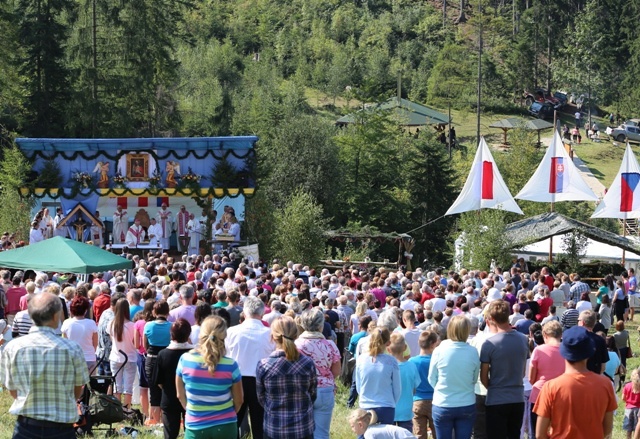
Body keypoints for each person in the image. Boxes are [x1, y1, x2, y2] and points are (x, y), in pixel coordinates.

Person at [0, 293, 89, 439]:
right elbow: (78, 390)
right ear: (56, 316)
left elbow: (12, 390)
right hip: (62, 427)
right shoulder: (72, 348)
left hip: (26, 426)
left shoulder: (13, 347)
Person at [533, 326, 616, 439]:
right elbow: (607, 429)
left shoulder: (550, 387)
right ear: (590, 352)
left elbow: (540, 434)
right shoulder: (606, 385)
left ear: (563, 352)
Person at [176, 315, 243, 438]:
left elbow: (180, 395)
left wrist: (192, 411)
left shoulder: (185, 360)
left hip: (195, 425)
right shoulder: (231, 365)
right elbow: (239, 401)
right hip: (225, 425)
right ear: (224, 336)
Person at [257, 316, 317, 439]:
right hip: (302, 428)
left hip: (274, 428)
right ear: (296, 335)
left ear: (273, 336)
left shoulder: (264, 365)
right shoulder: (308, 363)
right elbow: (312, 394)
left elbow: (261, 398)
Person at [225, 296, 274, 439]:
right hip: (260, 381)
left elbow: (226, 357)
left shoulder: (231, 332)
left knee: (233, 422)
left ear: (245, 313)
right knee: (259, 425)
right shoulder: (269, 334)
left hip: (237, 380)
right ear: (262, 313)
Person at [480, 300, 529, 439]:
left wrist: (493, 387)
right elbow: (523, 371)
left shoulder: (489, 344)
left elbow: (483, 376)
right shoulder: (523, 339)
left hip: (496, 399)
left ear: (492, 319)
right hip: (517, 397)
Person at [428, 315, 479, 439]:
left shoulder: (439, 350)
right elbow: (474, 377)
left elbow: (431, 378)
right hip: (466, 402)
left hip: (443, 402)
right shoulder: (473, 351)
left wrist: (443, 389)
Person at [295, 308, 341, 439]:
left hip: (301, 389)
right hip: (325, 390)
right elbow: (337, 371)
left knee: (301, 431)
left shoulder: (296, 345)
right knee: (321, 433)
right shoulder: (330, 344)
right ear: (321, 325)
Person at [153, 318, 193, 439]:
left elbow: (158, 381)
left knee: (170, 435)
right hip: (192, 398)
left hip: (169, 398)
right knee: (192, 434)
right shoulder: (194, 353)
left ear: (171, 335)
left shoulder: (163, 354)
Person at [356, 327, 401, 424]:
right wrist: (392, 402)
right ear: (388, 343)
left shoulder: (361, 359)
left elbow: (358, 387)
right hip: (386, 407)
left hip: (365, 405)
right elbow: (397, 389)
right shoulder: (391, 361)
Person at [528, 320, 564, 433]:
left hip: (539, 394)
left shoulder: (538, 350)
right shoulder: (567, 351)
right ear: (561, 334)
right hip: (561, 396)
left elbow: (531, 378)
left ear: (545, 335)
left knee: (538, 432)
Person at [144, 299, 172, 425]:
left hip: (152, 359)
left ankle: (155, 421)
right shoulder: (172, 326)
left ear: (154, 312)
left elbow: (145, 345)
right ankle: (166, 420)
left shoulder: (148, 325)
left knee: (154, 392)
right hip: (167, 359)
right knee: (167, 390)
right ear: (167, 312)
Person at [409, 330, 439, 439]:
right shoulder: (436, 360)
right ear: (433, 344)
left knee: (419, 434)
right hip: (434, 400)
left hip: (417, 400)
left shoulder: (412, 361)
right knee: (437, 433)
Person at [108, 297, 138, 407]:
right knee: (128, 387)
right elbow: (135, 343)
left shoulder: (111, 324)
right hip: (130, 357)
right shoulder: (132, 325)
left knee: (117, 385)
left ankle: (117, 409)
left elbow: (112, 340)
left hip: (115, 357)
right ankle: (127, 409)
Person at [390, 333, 421, 432]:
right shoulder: (411, 366)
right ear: (405, 348)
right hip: (406, 410)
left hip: (390, 409)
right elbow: (416, 386)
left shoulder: (387, 367)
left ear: (388, 349)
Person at [61, 296, 98, 374]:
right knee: (90, 384)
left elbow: (65, 343)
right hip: (89, 358)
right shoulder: (91, 323)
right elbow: (95, 343)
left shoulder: (66, 323)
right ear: (85, 310)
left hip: (72, 358)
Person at [348, 409, 416, 439]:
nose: (352, 429)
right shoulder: (373, 429)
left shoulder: (369, 433)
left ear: (360, 425)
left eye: (352, 426)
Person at [578, 310, 609, 374]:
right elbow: (603, 367)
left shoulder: (575, 339)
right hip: (595, 378)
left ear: (582, 323)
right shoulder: (601, 340)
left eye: (578, 320)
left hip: (579, 378)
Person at [624, 368, 640, 439]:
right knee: (636, 426)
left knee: (628, 428)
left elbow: (623, 397)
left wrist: (627, 401)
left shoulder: (627, 386)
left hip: (628, 409)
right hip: (638, 408)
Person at [615, 320, 631, 385]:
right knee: (624, 362)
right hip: (624, 349)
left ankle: (618, 375)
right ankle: (623, 377)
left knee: (618, 363)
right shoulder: (626, 333)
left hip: (618, 350)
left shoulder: (615, 335)